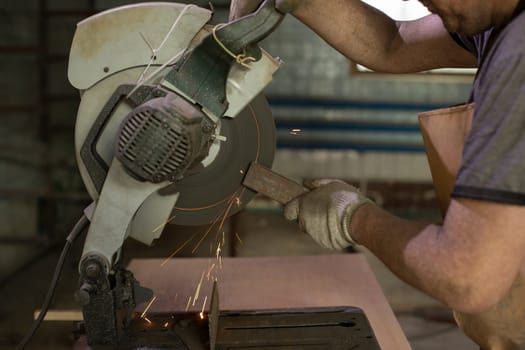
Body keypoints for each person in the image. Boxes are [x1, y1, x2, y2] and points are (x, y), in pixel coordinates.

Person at [230, 1, 525, 349]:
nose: (420, 2)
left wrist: (353, 217)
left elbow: (466, 276)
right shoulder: (496, 23)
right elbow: (392, 44)